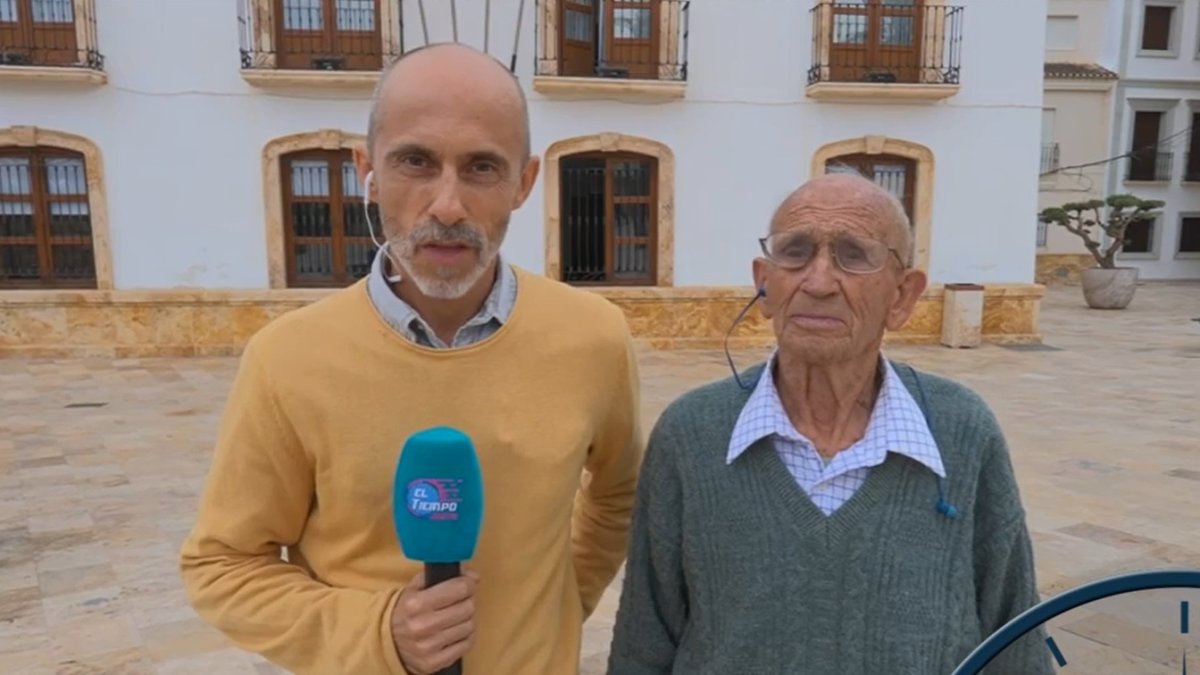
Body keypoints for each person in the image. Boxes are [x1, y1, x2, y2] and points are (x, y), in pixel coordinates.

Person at [179, 43, 645, 675]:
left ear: (525, 183)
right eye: (416, 162)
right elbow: (223, 565)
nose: (447, 206)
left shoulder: (593, 337)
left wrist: (559, 606)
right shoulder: (287, 360)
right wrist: (380, 634)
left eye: (482, 167)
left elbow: (618, 496)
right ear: (367, 170)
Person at [606, 172, 1053, 674]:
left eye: (854, 255)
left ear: (903, 297)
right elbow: (644, 640)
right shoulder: (691, 433)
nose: (817, 282)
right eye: (795, 252)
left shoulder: (962, 432)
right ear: (764, 283)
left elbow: (1014, 638)